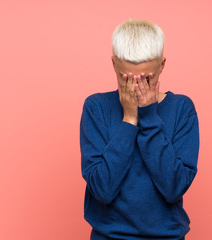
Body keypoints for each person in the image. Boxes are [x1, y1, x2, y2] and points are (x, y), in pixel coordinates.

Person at [80, 18, 200, 240]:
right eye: (125, 79)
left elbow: (173, 187)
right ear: (114, 65)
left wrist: (149, 116)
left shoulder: (182, 109)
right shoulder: (96, 107)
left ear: (162, 65)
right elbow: (102, 190)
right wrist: (129, 120)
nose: (136, 88)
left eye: (146, 79)